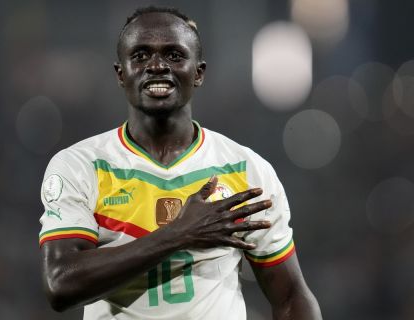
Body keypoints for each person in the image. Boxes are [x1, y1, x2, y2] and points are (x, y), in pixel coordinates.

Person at [39, 6, 322, 320]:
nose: (157, 66)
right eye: (141, 55)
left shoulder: (246, 170)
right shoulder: (81, 166)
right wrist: (179, 234)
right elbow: (61, 284)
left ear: (198, 73)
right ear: (122, 74)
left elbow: (291, 297)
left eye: (174, 55)